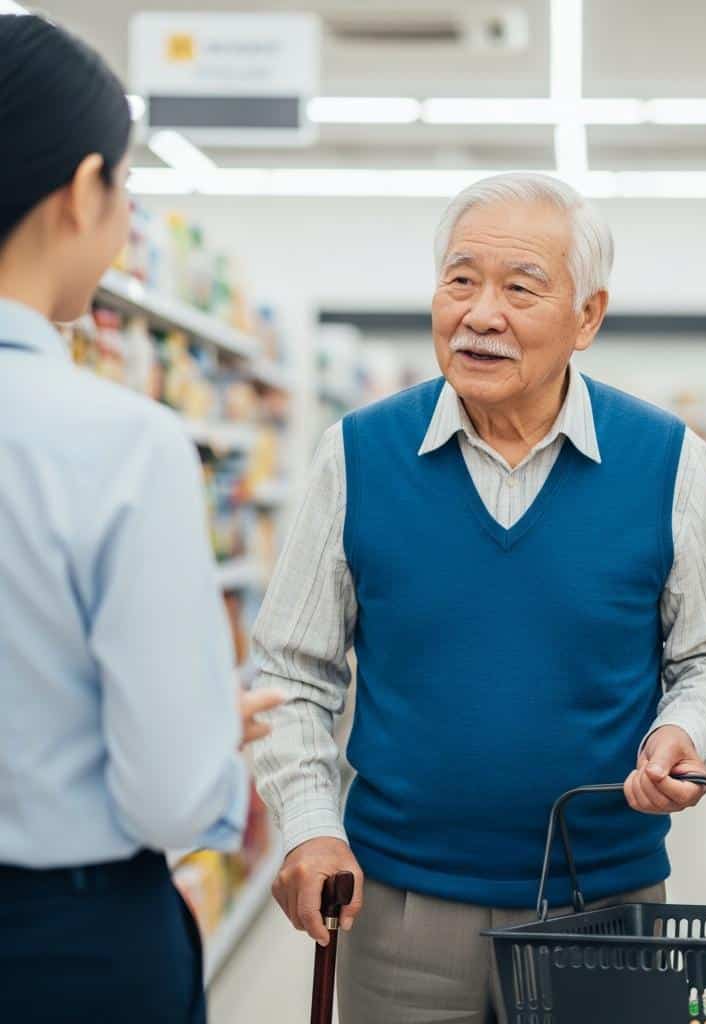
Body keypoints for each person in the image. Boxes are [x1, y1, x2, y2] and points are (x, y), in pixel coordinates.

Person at [252, 171, 706, 1023]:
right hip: (400, 908)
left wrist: (686, 731)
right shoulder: (358, 455)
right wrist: (310, 825)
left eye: (520, 288)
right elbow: (290, 674)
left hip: (607, 904)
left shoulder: (669, 462)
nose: (479, 313)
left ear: (588, 317)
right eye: (460, 280)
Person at [0, 14, 281, 1024]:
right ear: (82, 194)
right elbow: (168, 793)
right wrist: (214, 741)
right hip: (61, 942)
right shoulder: (117, 440)